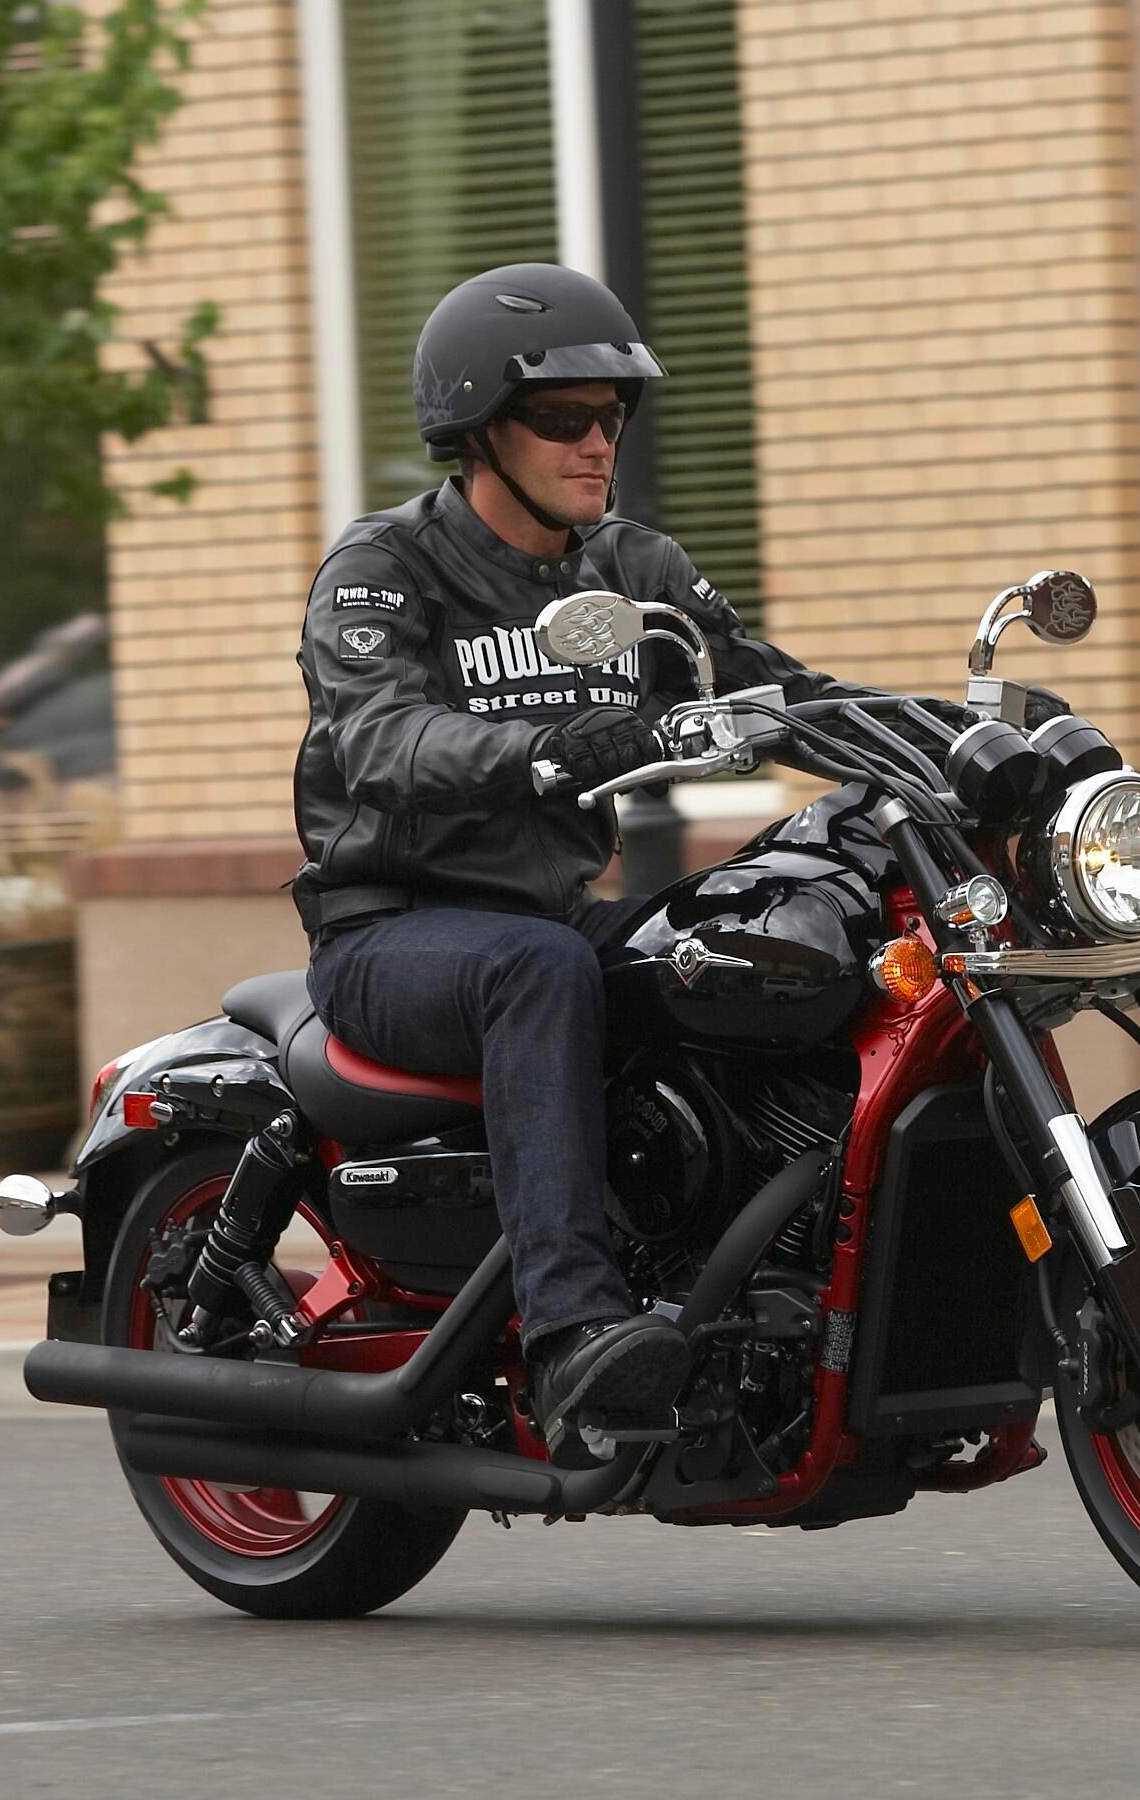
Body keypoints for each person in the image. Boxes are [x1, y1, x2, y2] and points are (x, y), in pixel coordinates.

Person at [289, 263, 889, 1466]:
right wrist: (551, 750)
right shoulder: (382, 569)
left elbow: (780, 690)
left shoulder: (635, 568)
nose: (597, 442)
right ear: (477, 431)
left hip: (555, 917)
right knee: (538, 967)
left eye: (612, 417)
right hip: (393, 933)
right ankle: (572, 1333)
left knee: (747, 939)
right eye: (564, 418)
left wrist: (971, 733)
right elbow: (378, 735)